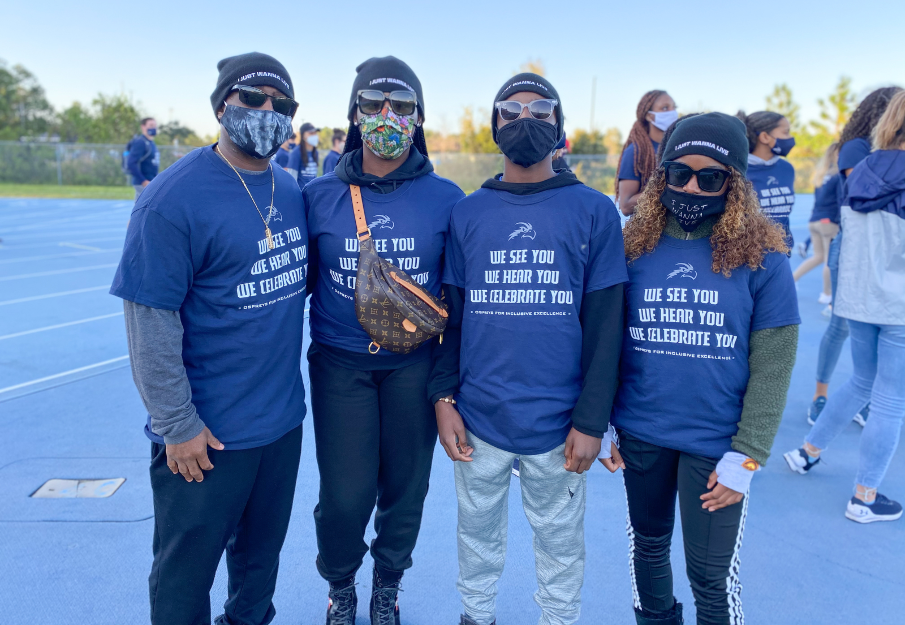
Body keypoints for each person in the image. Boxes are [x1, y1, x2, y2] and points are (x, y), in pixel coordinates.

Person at [109, 52, 307, 625]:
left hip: (280, 427)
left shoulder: (290, 190)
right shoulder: (171, 200)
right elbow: (149, 323)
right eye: (253, 98)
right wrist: (178, 425)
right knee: (184, 574)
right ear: (223, 104)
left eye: (282, 104)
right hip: (206, 437)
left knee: (258, 569)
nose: (268, 111)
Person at [432, 73, 628, 625]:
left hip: (560, 424)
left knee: (561, 548)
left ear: (559, 127)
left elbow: (606, 325)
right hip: (480, 417)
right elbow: (454, 317)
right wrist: (443, 396)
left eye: (540, 111)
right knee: (476, 539)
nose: (525, 120)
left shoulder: (592, 211)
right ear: (495, 126)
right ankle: (477, 616)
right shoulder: (468, 212)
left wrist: (592, 419)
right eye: (511, 111)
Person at [602, 113, 799, 625]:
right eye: (678, 173)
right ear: (660, 175)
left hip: (719, 448)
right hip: (642, 433)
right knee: (647, 553)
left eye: (710, 177)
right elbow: (605, 343)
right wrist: (597, 419)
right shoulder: (630, 247)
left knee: (711, 577)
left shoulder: (765, 260)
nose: (690, 186)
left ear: (734, 184)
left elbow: (774, 367)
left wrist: (749, 456)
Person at [303, 56, 464, 625]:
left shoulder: (447, 199)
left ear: (419, 118)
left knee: (406, 488)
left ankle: (387, 587)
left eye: (402, 106)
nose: (387, 116)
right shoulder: (319, 195)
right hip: (339, 366)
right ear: (355, 114)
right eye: (373, 105)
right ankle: (341, 586)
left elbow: (457, 303)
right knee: (345, 496)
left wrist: (445, 390)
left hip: (413, 368)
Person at [784, 90, 905, 523]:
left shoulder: (863, 166)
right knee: (891, 398)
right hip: (896, 301)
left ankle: (808, 450)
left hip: (858, 296)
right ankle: (865, 496)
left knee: (860, 381)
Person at [805, 86, 902, 425]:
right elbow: (866, 192)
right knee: (841, 326)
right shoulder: (857, 148)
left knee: (885, 330)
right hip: (855, 250)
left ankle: (867, 396)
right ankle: (820, 394)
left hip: (889, 252)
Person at [736, 110, 796, 248]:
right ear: (764, 137)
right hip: (747, 254)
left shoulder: (786, 168)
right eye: (785, 132)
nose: (790, 137)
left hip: (781, 254)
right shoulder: (739, 170)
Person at [792, 143, 841, 303]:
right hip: (829, 222)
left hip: (815, 220)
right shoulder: (838, 176)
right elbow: (840, 202)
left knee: (819, 256)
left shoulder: (821, 175)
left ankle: (793, 279)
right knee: (829, 259)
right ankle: (827, 294)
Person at [616, 90, 677, 215]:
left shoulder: (679, 147)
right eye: (665, 108)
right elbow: (626, 206)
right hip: (649, 231)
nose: (672, 112)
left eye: (674, 107)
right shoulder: (635, 152)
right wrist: (668, 190)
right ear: (650, 116)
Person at [127, 117, 160, 201]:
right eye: (151, 125)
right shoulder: (141, 142)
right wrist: (143, 181)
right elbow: (131, 163)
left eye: (155, 125)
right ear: (143, 127)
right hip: (143, 184)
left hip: (151, 183)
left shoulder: (151, 143)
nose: (153, 128)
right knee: (141, 212)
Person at [287, 121, 320, 188]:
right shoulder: (296, 152)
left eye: (315, 133)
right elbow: (291, 178)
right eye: (311, 133)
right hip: (301, 194)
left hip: (312, 194)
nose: (314, 135)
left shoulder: (315, 153)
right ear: (303, 136)